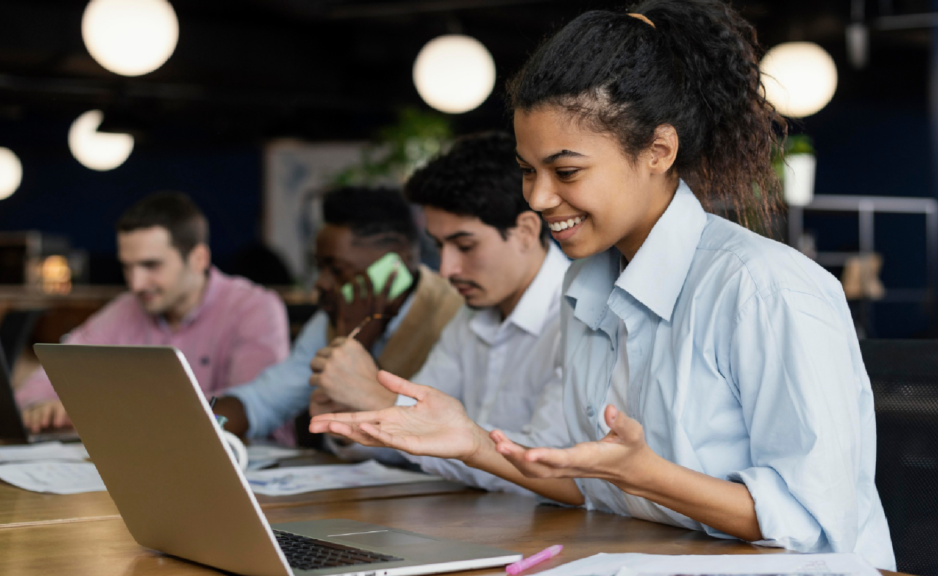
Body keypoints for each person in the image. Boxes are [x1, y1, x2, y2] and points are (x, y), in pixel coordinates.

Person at [310, 0, 897, 569]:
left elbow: (814, 523)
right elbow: (587, 483)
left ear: (658, 151)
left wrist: (643, 474)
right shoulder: (587, 283)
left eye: (566, 171)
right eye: (527, 171)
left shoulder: (765, 291)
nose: (538, 199)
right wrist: (470, 441)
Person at [307, 132, 570, 493]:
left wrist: (378, 400)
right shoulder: (469, 316)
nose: (447, 269)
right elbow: (428, 445)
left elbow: (559, 476)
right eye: (439, 246)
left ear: (525, 231)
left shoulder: (580, 317)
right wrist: (353, 419)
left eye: (465, 246)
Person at [17, 192, 289, 433]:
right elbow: (50, 375)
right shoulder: (125, 309)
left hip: (253, 473)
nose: (136, 284)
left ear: (198, 259)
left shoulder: (254, 308)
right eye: (127, 267)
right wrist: (40, 404)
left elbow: (249, 410)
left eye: (151, 265)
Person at [214, 186, 463, 445]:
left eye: (337, 269)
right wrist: (202, 423)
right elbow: (265, 399)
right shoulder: (333, 319)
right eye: (320, 267)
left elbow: (434, 438)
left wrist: (356, 348)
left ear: (396, 258)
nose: (321, 284)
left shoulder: (453, 315)